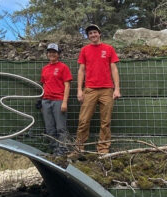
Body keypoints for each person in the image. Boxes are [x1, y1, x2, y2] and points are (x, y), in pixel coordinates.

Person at [76, 24, 120, 154]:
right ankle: (79, 148)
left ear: (99, 34)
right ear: (88, 36)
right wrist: (79, 90)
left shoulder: (109, 49)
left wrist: (117, 89)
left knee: (105, 122)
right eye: (90, 34)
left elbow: (114, 69)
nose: (93, 35)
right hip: (89, 89)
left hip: (107, 90)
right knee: (83, 120)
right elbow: (81, 70)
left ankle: (103, 149)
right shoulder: (84, 50)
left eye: (95, 32)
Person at [39, 43, 73, 155]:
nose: (51, 54)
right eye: (49, 52)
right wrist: (41, 99)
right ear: (47, 54)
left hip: (58, 100)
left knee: (61, 128)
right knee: (49, 129)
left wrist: (64, 102)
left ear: (58, 54)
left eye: (54, 52)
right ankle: (54, 150)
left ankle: (62, 150)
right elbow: (44, 85)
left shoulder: (63, 67)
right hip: (46, 101)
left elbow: (67, 85)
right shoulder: (45, 69)